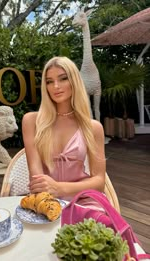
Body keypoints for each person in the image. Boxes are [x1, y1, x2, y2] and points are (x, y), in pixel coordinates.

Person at [22, 56, 106, 201]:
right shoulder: (31, 121)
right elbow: (36, 175)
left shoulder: (93, 127)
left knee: (95, 223)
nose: (55, 86)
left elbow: (99, 181)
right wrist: (48, 196)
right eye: (49, 81)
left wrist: (59, 188)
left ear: (74, 81)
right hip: (45, 198)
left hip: (83, 199)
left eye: (63, 79)